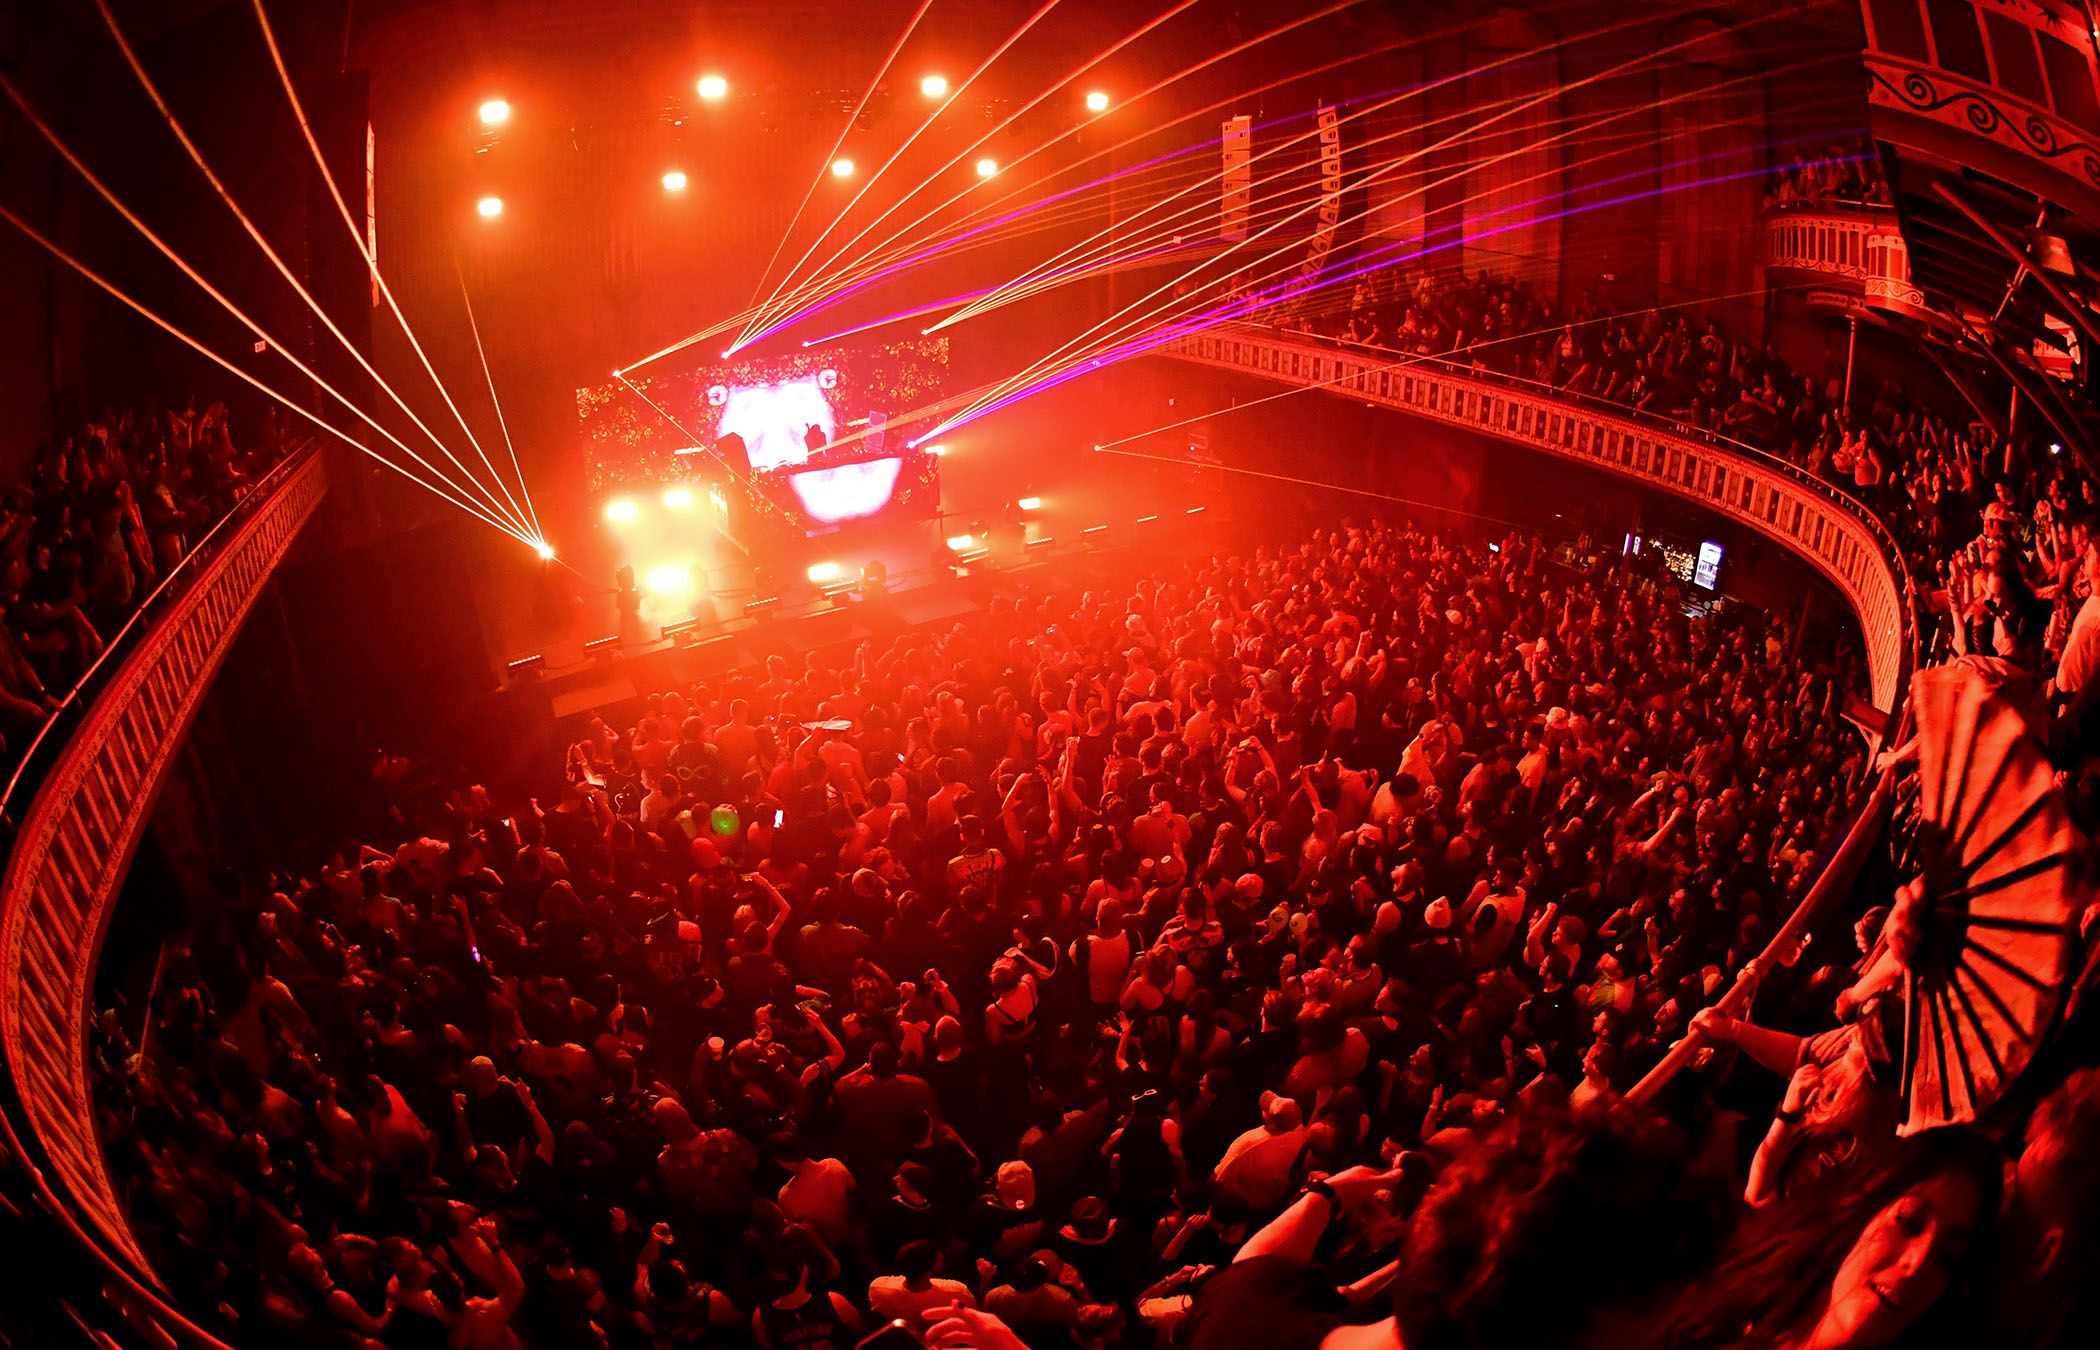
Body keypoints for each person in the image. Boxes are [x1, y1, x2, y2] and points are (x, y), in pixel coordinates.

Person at [1647, 1126, 2002, 1349]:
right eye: (1909, 1222)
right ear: (1869, 1203)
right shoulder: (1726, 1301)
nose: (1918, 1263)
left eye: (1947, 1258)